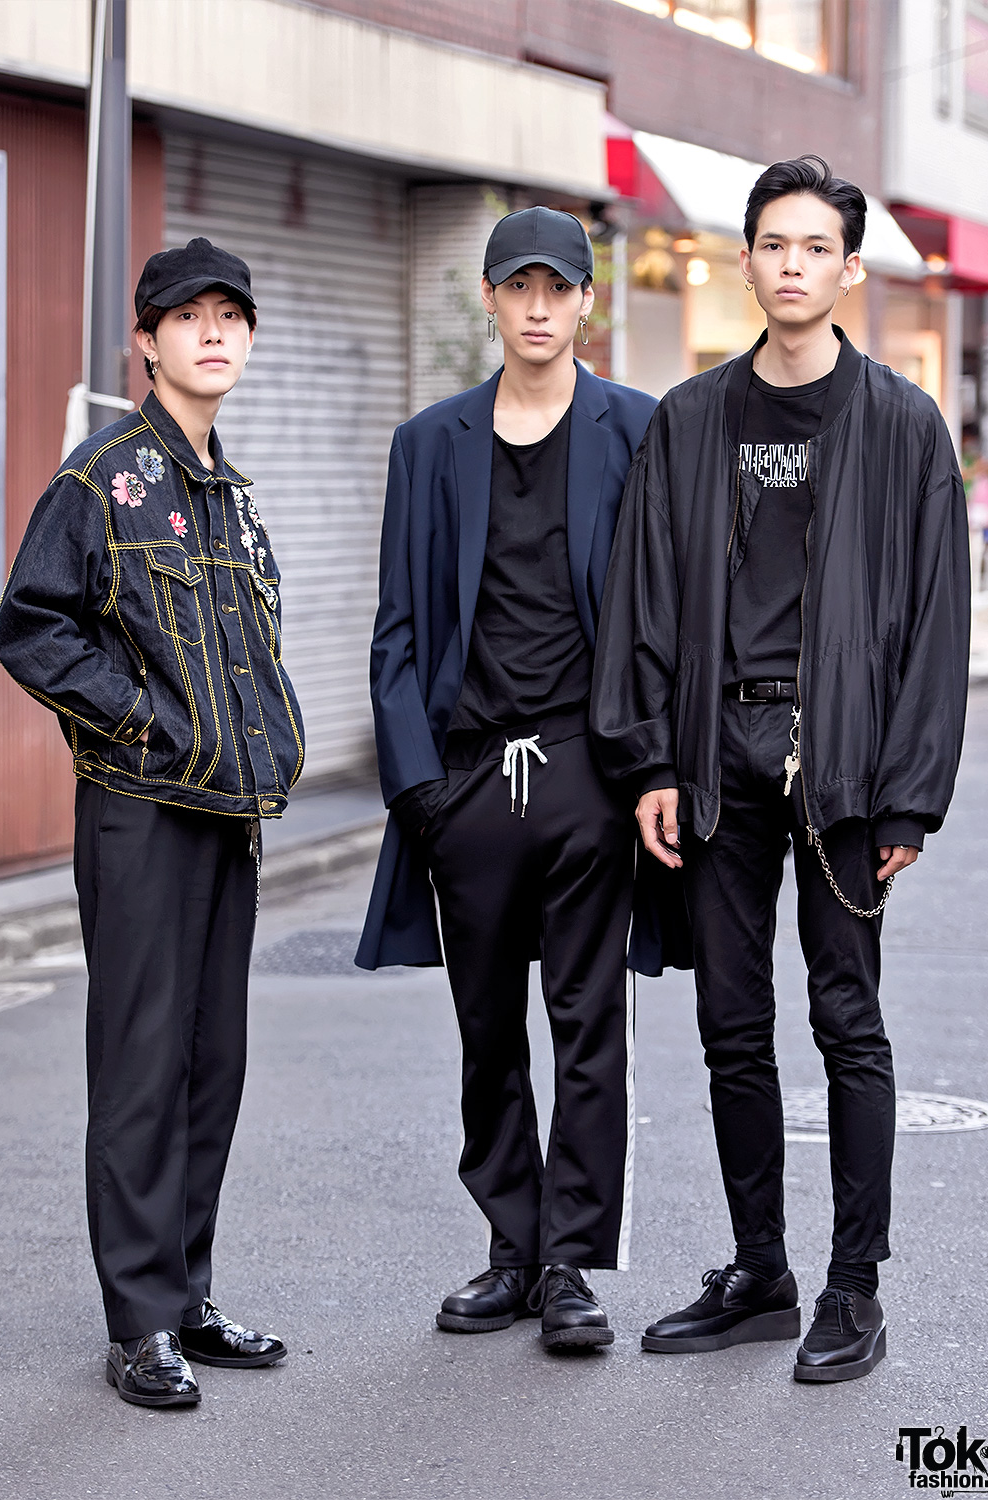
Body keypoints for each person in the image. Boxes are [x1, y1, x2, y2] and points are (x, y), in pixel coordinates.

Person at [591, 156, 970, 1383]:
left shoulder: (904, 425)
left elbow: (934, 626)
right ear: (744, 260)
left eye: (816, 247)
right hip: (716, 757)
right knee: (729, 1023)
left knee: (846, 1019)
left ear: (848, 268)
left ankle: (853, 1285)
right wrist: (650, 755)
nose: (793, 265)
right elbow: (643, 599)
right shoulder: (691, 420)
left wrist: (910, 792)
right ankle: (762, 1270)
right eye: (774, 244)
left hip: (847, 766)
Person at [0, 239, 304, 1407]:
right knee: (138, 1064)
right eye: (191, 317)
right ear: (149, 340)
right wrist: (140, 723)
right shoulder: (102, 477)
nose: (215, 333)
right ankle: (137, 1321)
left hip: (227, 817)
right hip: (139, 816)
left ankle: (185, 1292)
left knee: (208, 1066)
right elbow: (31, 627)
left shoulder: (226, 491)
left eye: (234, 317)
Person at [355, 208, 662, 1350]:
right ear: (488, 298)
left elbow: (662, 615)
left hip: (590, 769)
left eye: (559, 287)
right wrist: (419, 790)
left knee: (589, 1026)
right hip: (471, 781)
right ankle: (511, 1248)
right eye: (517, 285)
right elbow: (396, 631)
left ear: (588, 303)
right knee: (488, 1029)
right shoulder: (429, 445)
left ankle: (571, 1268)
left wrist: (648, 769)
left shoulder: (636, 428)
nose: (538, 306)